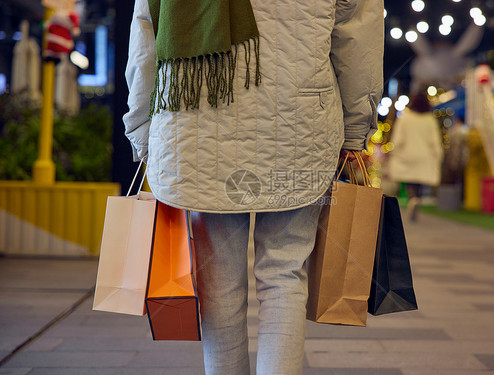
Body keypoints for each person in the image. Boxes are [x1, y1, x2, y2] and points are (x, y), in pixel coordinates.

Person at [122, 0, 384, 374]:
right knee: (285, 274)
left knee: (218, 280)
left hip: (198, 124)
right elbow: (358, 38)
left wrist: (142, 130)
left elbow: (146, 34)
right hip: (300, 126)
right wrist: (358, 125)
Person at [387, 92, 443, 221]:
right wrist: (439, 155)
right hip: (424, 156)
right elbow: (435, 141)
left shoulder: (405, 117)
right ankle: (417, 199)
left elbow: (398, 139)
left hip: (407, 155)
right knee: (419, 182)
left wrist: (393, 151)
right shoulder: (430, 120)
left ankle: (412, 198)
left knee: (410, 181)